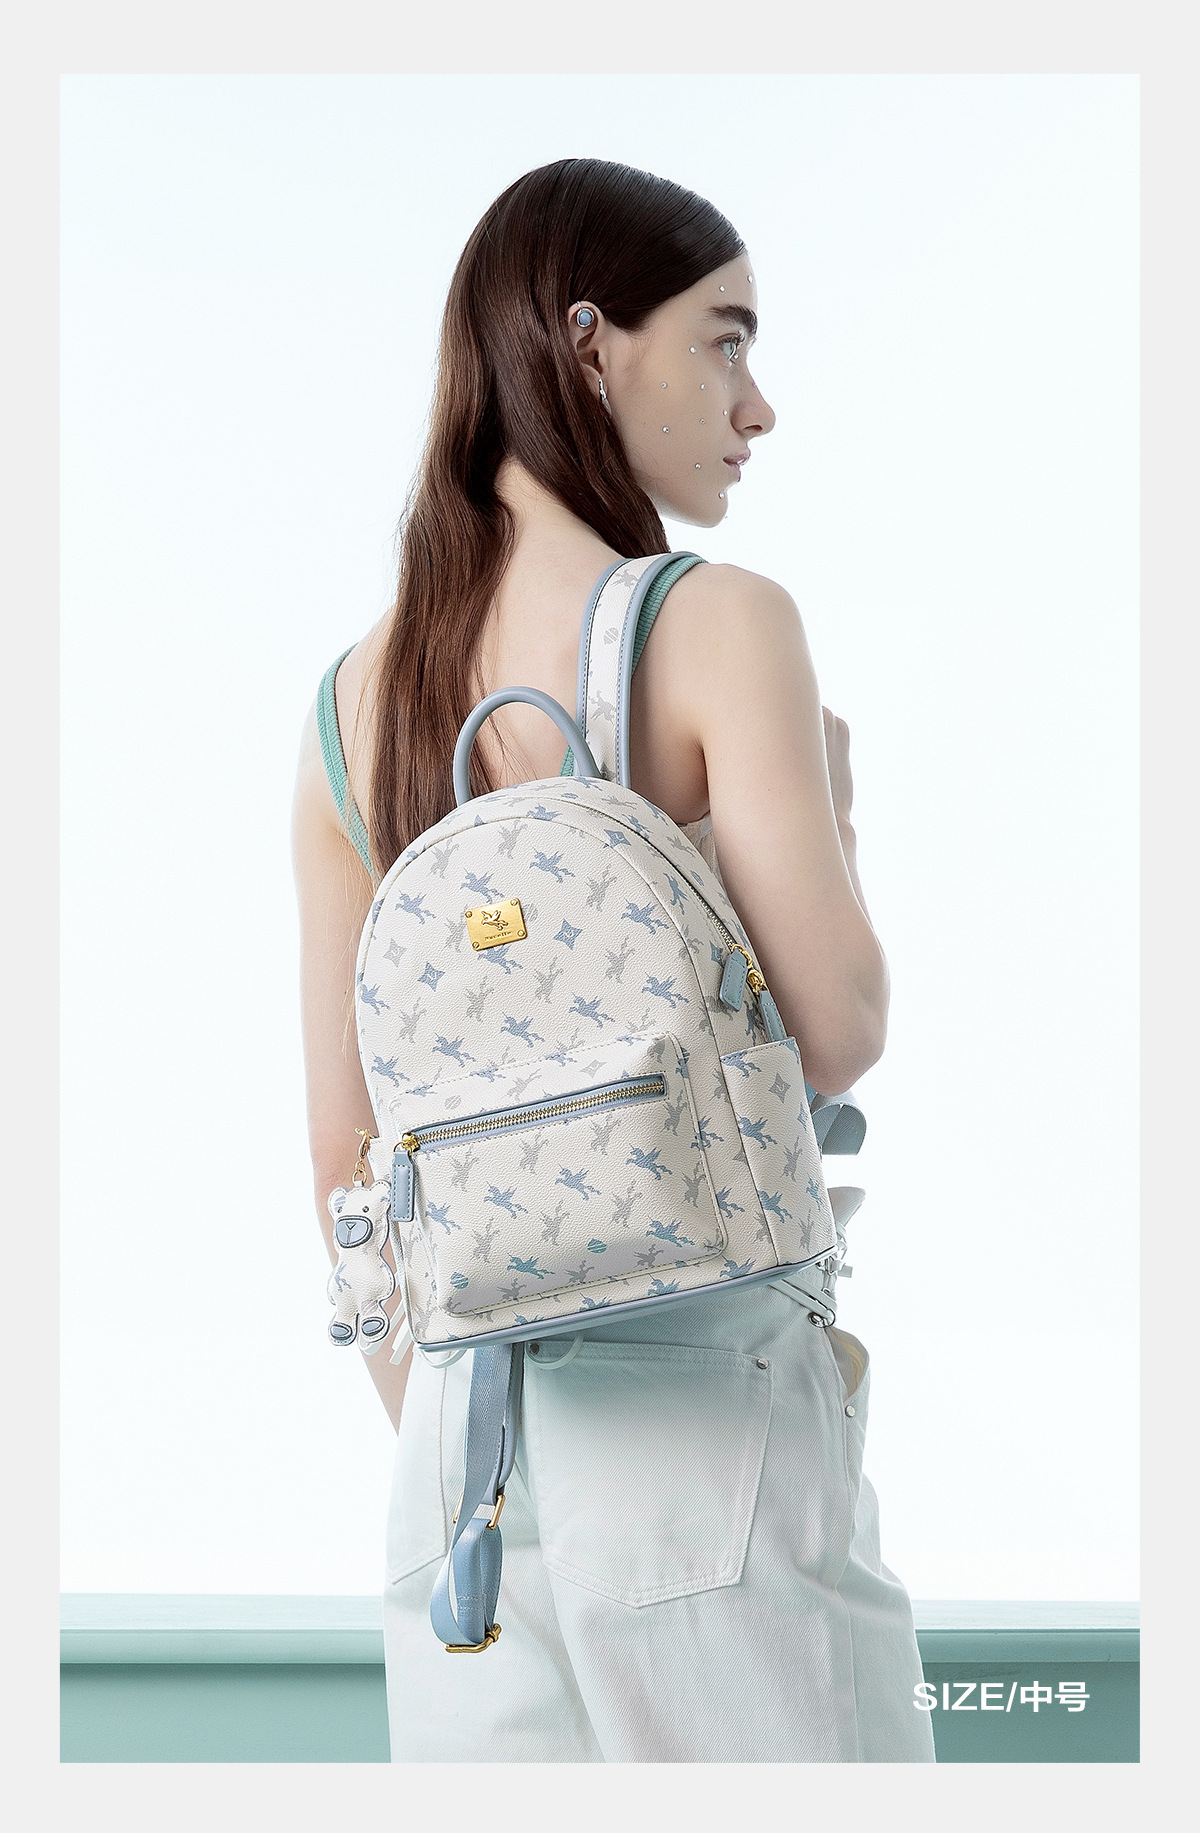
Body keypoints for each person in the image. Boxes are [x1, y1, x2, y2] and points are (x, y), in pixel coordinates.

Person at [291, 157, 935, 1763]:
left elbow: (345, 1164)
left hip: (457, 1482)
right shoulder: (717, 622)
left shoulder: (349, 707)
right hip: (704, 1423)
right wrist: (834, 809)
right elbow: (839, 1025)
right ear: (590, 343)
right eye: (726, 337)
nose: (756, 402)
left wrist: (467, 1425)